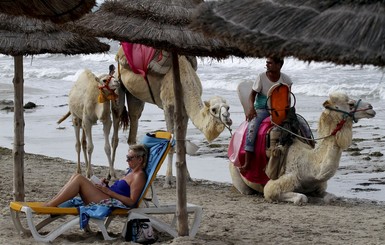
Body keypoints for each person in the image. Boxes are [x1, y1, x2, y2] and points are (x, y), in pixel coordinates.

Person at [44, 144, 148, 207]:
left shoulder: (139, 176)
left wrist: (109, 192)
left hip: (112, 202)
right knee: (76, 175)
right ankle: (52, 202)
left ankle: (50, 205)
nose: (127, 160)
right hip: (107, 197)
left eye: (130, 158)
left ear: (140, 159)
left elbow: (132, 202)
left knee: (79, 179)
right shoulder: (130, 172)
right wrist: (106, 186)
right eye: (127, 157)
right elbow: (121, 190)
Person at [239, 57, 292, 173]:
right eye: (266, 62)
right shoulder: (261, 77)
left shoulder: (286, 80)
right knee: (252, 128)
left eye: (270, 62)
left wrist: (289, 112)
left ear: (279, 65)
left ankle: (310, 144)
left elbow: (287, 98)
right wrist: (252, 109)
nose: (267, 64)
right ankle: (248, 162)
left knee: (300, 124)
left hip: (279, 109)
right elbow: (252, 95)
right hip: (262, 108)